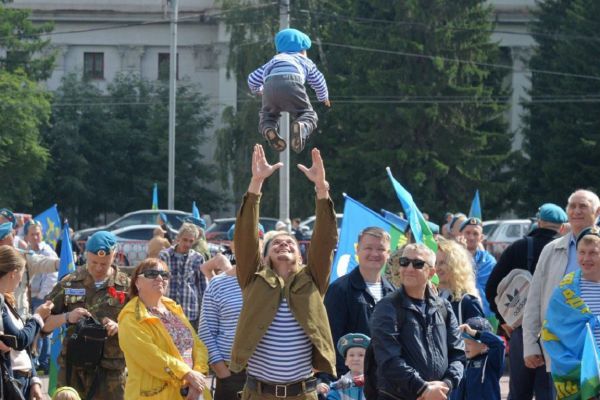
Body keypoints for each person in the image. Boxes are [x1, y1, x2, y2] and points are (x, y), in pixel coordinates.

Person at [230, 144, 338, 399]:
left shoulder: (312, 280)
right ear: (265, 256)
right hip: (258, 393)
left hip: (303, 393)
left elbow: (324, 240)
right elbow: (245, 236)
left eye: (290, 242)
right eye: (275, 242)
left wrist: (321, 188)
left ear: (301, 256)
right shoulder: (253, 278)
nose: (283, 243)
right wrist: (256, 182)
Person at [485, 203, 566, 400]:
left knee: (519, 393)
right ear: (562, 227)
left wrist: (505, 321)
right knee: (549, 393)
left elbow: (491, 288)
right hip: (556, 333)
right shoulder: (566, 250)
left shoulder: (519, 247)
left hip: (521, 330)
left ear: (538, 222)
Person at [370, 243, 465, 400]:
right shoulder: (387, 306)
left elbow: (458, 354)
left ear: (431, 272)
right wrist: (423, 388)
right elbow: (388, 359)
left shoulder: (444, 307)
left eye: (418, 264)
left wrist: (446, 385)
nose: (409, 268)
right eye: (404, 262)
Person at [42, 231, 130, 400]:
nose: (98, 268)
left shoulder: (126, 286)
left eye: (104, 263)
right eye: (93, 262)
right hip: (75, 370)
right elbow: (43, 323)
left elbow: (141, 326)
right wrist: (67, 317)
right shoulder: (69, 283)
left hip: (111, 373)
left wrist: (121, 327)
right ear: (86, 255)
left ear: (115, 256)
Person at [523, 190, 600, 380]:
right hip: (563, 354)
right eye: (572, 206)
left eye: (583, 206)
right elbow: (535, 300)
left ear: (597, 212)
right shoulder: (551, 250)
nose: (576, 211)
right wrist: (531, 344)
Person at [118, 258, 212, 400]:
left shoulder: (172, 307)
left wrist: (196, 377)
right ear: (137, 282)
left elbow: (197, 344)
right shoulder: (130, 317)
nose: (160, 278)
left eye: (164, 274)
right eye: (151, 274)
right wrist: (186, 374)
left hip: (190, 392)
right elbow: (150, 355)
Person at [198, 223, 263, 399]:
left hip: (269, 374)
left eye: (256, 240)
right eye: (242, 241)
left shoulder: (274, 283)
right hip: (231, 373)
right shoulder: (218, 284)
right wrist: (222, 372)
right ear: (232, 245)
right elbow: (206, 332)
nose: (250, 245)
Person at [324, 227, 395, 377]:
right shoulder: (339, 290)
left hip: (386, 382)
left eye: (381, 249)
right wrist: (345, 380)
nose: (374, 254)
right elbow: (330, 340)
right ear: (357, 250)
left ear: (388, 254)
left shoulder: (394, 293)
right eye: (368, 248)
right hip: (350, 384)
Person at [247, 28, 330, 153]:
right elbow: (318, 80)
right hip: (293, 83)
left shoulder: (273, 61)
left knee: (267, 116)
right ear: (302, 50)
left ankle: (269, 129)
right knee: (308, 114)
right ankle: (302, 126)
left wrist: (259, 90)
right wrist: (323, 97)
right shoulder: (305, 61)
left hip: (269, 86)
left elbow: (252, 79)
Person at [542, 226, 600, 399]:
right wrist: (581, 370)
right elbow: (550, 332)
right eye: (582, 252)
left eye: (593, 253)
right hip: (578, 374)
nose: (586, 258)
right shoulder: (565, 290)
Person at [0, 245, 54, 400]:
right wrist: (37, 318)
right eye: (22, 274)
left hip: (22, 380)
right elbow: (19, 340)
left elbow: (23, 347)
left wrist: (34, 380)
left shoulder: (6, 300)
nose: (21, 280)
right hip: (9, 381)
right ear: (13, 273)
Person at [0, 222, 59, 318]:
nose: (12, 248)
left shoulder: (22, 256)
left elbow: (42, 262)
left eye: (12, 244)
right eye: (8, 245)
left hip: (19, 314)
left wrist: (61, 263)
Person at [25, 219, 59, 373]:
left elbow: (52, 275)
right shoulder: (26, 251)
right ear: (27, 236)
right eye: (32, 234)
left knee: (43, 329)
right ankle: (36, 359)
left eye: (37, 234)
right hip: (30, 296)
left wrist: (44, 294)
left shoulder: (47, 251)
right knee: (33, 328)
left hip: (42, 296)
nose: (35, 237)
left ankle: (44, 361)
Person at [159, 222, 207, 330]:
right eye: (185, 240)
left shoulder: (197, 258)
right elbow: (158, 282)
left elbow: (203, 287)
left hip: (190, 311)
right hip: (168, 311)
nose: (188, 244)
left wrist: (203, 312)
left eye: (191, 241)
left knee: (190, 345)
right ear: (178, 238)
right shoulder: (164, 256)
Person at [453, 317, 505, 400]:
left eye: (469, 343)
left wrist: (474, 333)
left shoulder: (491, 361)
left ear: (484, 345)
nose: (465, 347)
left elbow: (499, 344)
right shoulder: (462, 363)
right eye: (463, 342)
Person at [436, 237, 484, 325]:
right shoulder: (430, 297)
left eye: (442, 263)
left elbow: (477, 336)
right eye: (434, 263)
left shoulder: (468, 301)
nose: (437, 268)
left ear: (455, 265)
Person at [459, 218, 495, 318]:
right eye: (467, 233)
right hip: (461, 313)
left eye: (475, 234)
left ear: (481, 237)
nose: (471, 237)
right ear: (461, 235)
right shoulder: (453, 259)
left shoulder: (489, 261)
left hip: (486, 314)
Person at [320, 333, 369, 400]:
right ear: (346, 361)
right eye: (351, 355)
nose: (356, 359)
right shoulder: (338, 387)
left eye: (361, 355)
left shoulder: (376, 383)